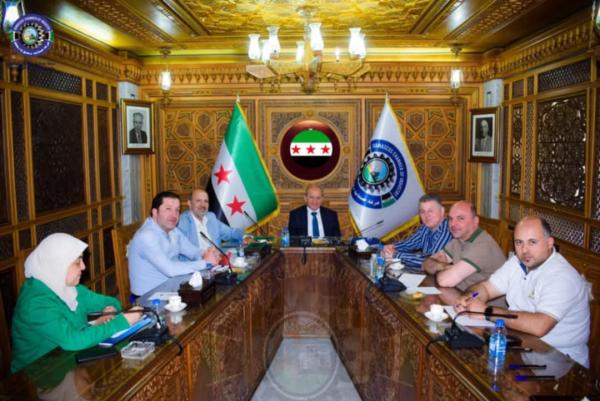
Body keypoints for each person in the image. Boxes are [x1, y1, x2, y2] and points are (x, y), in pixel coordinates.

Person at [455, 216, 590, 367]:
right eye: (519, 242)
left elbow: (540, 326)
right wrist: (470, 297)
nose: (524, 250)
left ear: (549, 243)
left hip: (560, 361)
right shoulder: (517, 263)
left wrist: (487, 312)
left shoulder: (562, 276)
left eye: (532, 242)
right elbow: (486, 288)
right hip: (522, 345)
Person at [11, 233, 143, 373]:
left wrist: (109, 311)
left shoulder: (67, 286)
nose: (84, 267)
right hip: (37, 376)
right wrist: (121, 321)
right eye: (77, 262)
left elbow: (111, 301)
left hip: (68, 361)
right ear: (58, 264)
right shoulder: (36, 302)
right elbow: (72, 340)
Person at [128, 191, 220, 296]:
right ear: (155, 212)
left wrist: (207, 253)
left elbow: (193, 251)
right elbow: (170, 269)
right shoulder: (146, 236)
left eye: (177, 210)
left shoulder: (173, 230)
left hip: (172, 289)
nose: (174, 215)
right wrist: (205, 262)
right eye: (168, 209)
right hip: (149, 298)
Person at [423, 200, 505, 290]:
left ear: (475, 221)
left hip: (480, 298)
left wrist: (438, 268)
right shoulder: (459, 239)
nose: (453, 224)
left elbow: (444, 281)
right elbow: (426, 264)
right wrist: (445, 267)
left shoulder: (483, 246)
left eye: (460, 218)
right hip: (462, 293)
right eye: (450, 219)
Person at [383, 194, 452, 268]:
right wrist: (390, 247)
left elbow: (431, 263)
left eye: (430, 211)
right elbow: (410, 243)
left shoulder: (447, 231)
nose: (426, 216)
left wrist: (396, 255)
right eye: (423, 212)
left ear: (442, 211)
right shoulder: (425, 227)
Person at [178, 189, 245, 250]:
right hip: (199, 259)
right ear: (189, 203)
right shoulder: (182, 222)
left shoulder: (210, 217)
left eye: (206, 201)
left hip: (218, 257)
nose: (203, 205)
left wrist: (246, 236)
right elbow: (183, 252)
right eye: (198, 201)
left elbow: (231, 232)